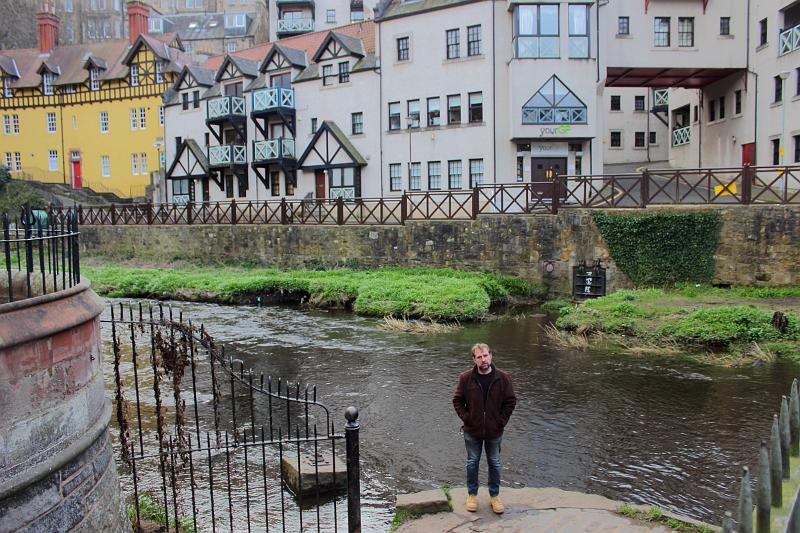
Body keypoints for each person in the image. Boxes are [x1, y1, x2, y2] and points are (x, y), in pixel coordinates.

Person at [452, 343, 517, 514]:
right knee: (472, 463)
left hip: (494, 431)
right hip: (472, 431)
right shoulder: (465, 378)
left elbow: (510, 401)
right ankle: (472, 495)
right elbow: (457, 401)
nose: (483, 359)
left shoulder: (503, 378)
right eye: (479, 357)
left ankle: (494, 496)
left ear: (491, 356)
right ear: (474, 359)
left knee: (494, 463)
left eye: (486, 355)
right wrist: (467, 418)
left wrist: (500, 421)